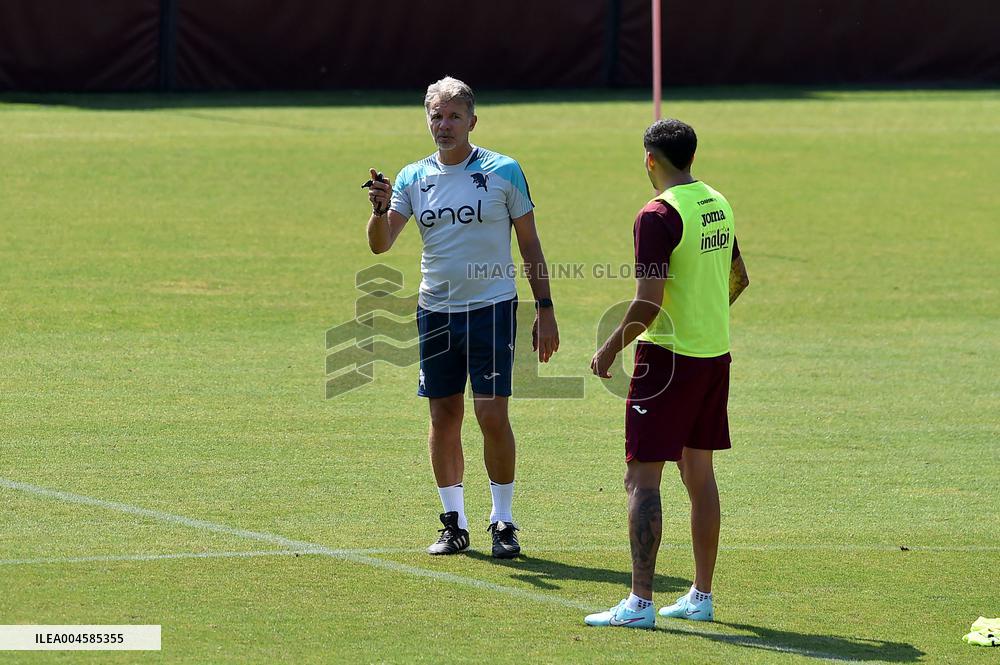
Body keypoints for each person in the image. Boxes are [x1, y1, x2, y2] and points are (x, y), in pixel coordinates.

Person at [363, 76, 559, 559]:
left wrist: (546, 309)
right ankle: (453, 523)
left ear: (472, 121)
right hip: (436, 311)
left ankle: (504, 521)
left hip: (492, 308)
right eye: (436, 115)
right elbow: (380, 243)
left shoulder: (504, 171)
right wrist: (380, 208)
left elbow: (529, 243)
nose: (444, 124)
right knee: (443, 415)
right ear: (426, 119)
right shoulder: (412, 178)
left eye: (454, 116)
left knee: (492, 414)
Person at [584, 119, 749, 628]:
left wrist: (608, 349)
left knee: (642, 478)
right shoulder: (717, 201)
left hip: (666, 361)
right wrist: (704, 320)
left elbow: (647, 304)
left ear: (650, 160)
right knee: (699, 475)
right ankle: (701, 595)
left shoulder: (656, 215)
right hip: (712, 356)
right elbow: (739, 279)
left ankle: (639, 603)